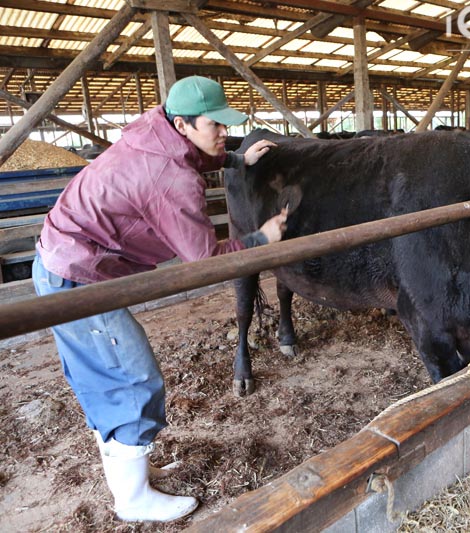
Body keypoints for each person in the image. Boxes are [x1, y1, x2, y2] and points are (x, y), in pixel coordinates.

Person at [32, 76, 287, 523]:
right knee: (133, 378)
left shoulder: (153, 131)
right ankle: (132, 501)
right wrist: (261, 238)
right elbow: (204, 262)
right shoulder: (171, 181)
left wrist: (233, 158)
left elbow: (187, 155)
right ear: (184, 123)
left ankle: (133, 473)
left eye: (226, 126)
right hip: (77, 276)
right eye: (217, 127)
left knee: (102, 377)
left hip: (63, 260)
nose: (223, 132)